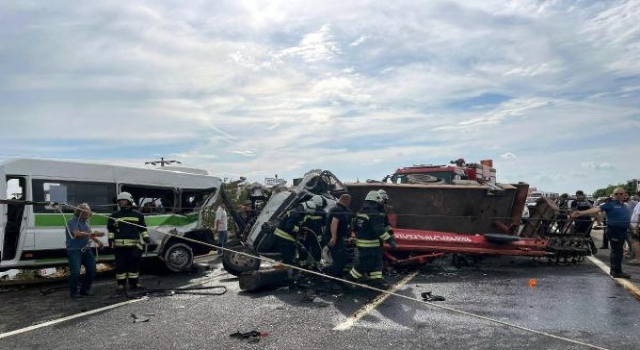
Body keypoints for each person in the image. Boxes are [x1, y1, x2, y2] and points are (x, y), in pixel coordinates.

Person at [571, 187, 631, 278]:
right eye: (616, 194)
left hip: (623, 231)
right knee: (617, 251)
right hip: (614, 230)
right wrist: (581, 213)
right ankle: (616, 271)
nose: (618, 195)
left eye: (621, 194)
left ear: (624, 195)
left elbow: (626, 219)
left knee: (618, 251)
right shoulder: (610, 204)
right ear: (613, 195)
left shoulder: (624, 206)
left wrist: (633, 228)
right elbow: (596, 209)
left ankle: (615, 270)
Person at [346, 190, 397, 289]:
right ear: (377, 200)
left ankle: (376, 280)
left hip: (367, 242)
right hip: (369, 243)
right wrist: (390, 240)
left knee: (376, 261)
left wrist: (390, 233)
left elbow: (384, 225)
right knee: (365, 263)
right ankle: (349, 278)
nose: (383, 203)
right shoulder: (375, 213)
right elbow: (379, 229)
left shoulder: (362, 211)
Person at [107, 192, 149, 292]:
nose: (121, 202)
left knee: (133, 265)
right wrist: (110, 239)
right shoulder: (114, 216)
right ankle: (121, 285)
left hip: (134, 246)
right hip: (119, 246)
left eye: (123, 200)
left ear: (129, 201)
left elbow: (143, 229)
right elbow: (111, 230)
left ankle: (134, 283)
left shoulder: (138, 215)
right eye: (120, 201)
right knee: (120, 266)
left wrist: (146, 237)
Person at [274, 195, 326, 269]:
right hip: (285, 237)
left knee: (291, 255)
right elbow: (289, 226)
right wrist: (300, 229)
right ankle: (286, 273)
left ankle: (291, 270)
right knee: (288, 256)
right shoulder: (296, 213)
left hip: (290, 237)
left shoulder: (301, 210)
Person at [65, 203, 104, 298]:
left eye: (89, 211)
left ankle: (85, 290)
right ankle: (73, 292)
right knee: (75, 273)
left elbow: (89, 234)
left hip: (86, 250)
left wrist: (98, 241)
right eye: (86, 212)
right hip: (74, 250)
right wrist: (93, 234)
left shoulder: (86, 222)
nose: (88, 213)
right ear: (79, 212)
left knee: (92, 270)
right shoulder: (72, 222)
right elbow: (76, 234)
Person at [324, 194, 353, 278]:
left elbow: (347, 224)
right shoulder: (337, 209)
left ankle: (336, 273)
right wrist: (333, 237)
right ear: (346, 200)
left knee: (343, 257)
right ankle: (334, 276)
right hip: (333, 238)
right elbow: (334, 223)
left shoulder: (344, 210)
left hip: (339, 238)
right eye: (349, 201)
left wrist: (349, 236)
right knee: (340, 258)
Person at [570, 190, 597, 254]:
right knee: (580, 234)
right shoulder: (574, 202)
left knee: (586, 235)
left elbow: (592, 208)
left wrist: (585, 200)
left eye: (580, 195)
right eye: (577, 196)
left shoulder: (588, 201)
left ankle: (591, 247)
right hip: (579, 220)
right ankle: (584, 248)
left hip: (587, 220)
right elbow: (573, 211)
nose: (578, 197)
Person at [623, 192, 637, 259]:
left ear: (629, 196)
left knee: (631, 239)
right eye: (624, 195)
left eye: (626, 195)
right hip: (625, 224)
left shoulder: (633, 202)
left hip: (632, 224)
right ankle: (630, 252)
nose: (625, 197)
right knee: (627, 239)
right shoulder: (623, 203)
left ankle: (633, 254)